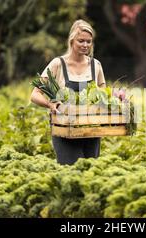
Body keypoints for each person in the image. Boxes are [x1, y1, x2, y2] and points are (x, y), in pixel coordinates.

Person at [30, 19, 106, 165]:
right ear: (72, 40)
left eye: (89, 42)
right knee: (71, 172)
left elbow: (103, 94)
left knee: (91, 173)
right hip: (64, 130)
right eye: (81, 41)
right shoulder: (58, 64)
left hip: (91, 130)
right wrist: (50, 105)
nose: (85, 45)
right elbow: (34, 94)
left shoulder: (95, 65)